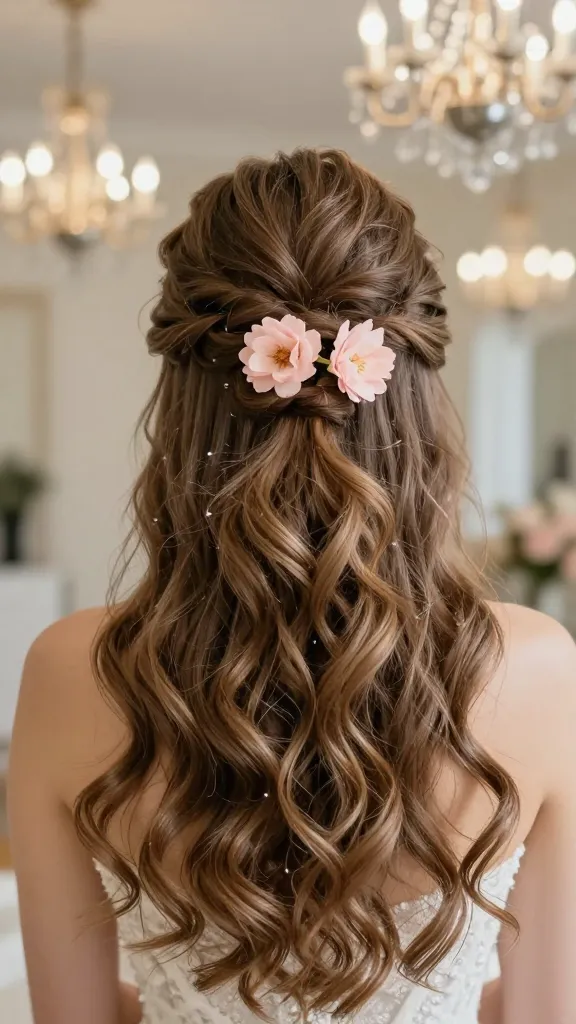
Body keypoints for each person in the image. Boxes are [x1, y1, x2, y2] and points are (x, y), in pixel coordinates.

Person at [8, 149, 576, 1024]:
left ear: (181, 404)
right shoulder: (537, 666)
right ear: (412, 397)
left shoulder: (71, 669)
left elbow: (73, 1019)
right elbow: (541, 1014)